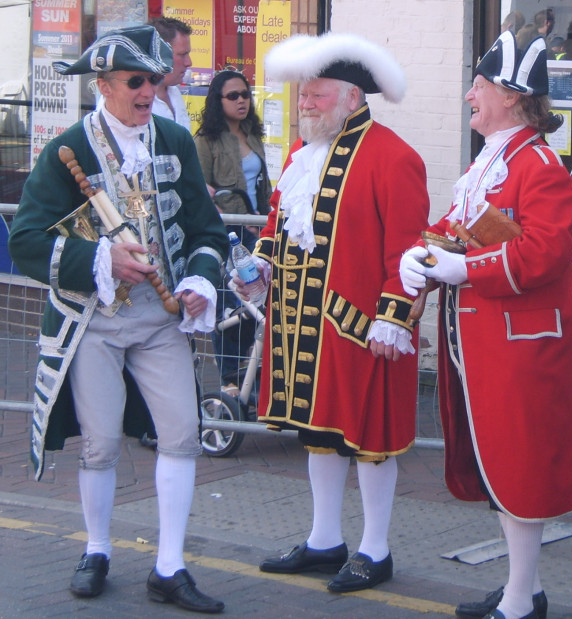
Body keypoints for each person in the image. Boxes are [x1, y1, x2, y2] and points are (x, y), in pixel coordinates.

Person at [8, 25, 227, 612]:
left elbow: (208, 230)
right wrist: (100, 257)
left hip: (160, 320)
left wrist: (200, 280)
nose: (148, 91)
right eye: (136, 80)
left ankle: (170, 566)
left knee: (182, 435)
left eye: (155, 79)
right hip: (94, 322)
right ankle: (97, 549)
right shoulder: (69, 150)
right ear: (103, 85)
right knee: (100, 444)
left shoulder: (176, 141)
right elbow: (26, 239)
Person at [398, 30, 572, 619]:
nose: (467, 97)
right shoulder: (493, 159)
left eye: (478, 86)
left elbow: (544, 254)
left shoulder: (538, 165)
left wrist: (462, 266)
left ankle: (522, 596)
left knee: (521, 469)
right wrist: (424, 251)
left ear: (511, 95)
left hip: (522, 346)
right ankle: (522, 588)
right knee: (505, 465)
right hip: (487, 343)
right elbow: (459, 227)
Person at [245, 32, 429, 595]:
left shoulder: (395, 157)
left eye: (317, 94)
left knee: (370, 439)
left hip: (360, 325)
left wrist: (393, 317)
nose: (305, 102)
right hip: (301, 323)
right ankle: (325, 539)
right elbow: (281, 225)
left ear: (352, 96)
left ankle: (377, 549)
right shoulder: (302, 157)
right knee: (317, 433)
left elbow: (408, 250)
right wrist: (258, 268)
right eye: (304, 93)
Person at [195, 69, 272, 394]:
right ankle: (229, 379)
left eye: (245, 94)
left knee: (257, 301)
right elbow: (196, 186)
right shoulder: (206, 140)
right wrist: (211, 197)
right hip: (229, 231)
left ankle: (249, 373)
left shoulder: (253, 134)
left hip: (256, 228)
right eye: (233, 96)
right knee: (231, 303)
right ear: (218, 100)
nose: (242, 101)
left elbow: (261, 182)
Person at [148, 17, 193, 130]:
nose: (189, 63)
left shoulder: (174, 92)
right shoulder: (130, 97)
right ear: (159, 53)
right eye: (182, 54)